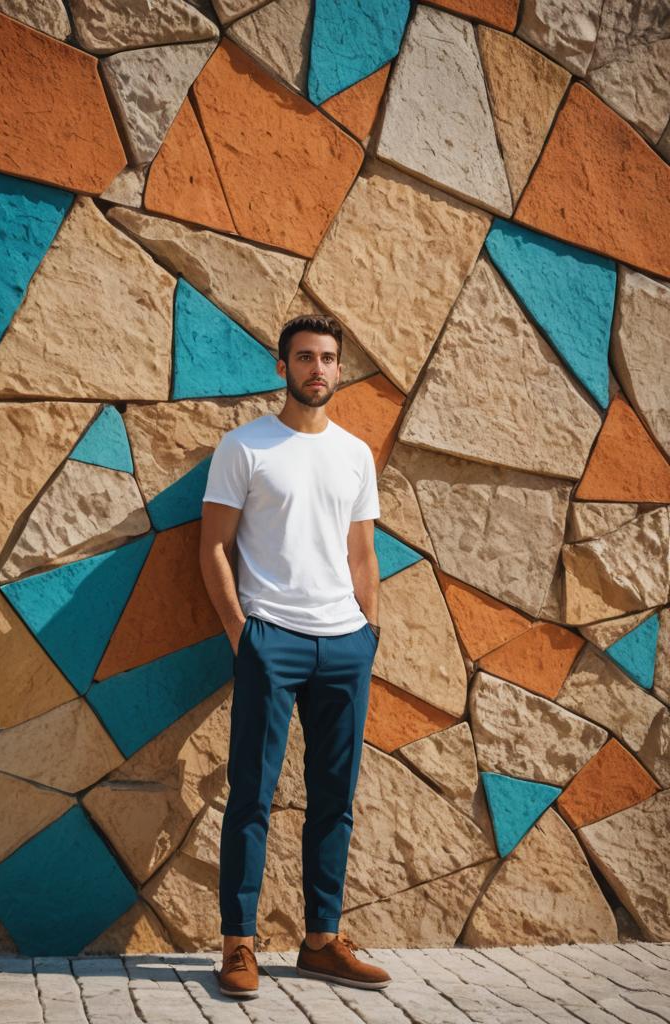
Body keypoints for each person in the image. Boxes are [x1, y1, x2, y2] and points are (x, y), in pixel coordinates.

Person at [199, 314, 392, 999]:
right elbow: (214, 547)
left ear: (340, 370)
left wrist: (368, 633)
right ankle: (238, 945)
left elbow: (362, 553)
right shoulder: (245, 448)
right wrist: (242, 634)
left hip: (345, 645)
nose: (317, 368)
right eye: (305, 356)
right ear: (282, 367)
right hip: (270, 638)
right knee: (251, 792)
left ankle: (321, 940)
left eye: (328, 358)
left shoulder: (355, 454)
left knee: (334, 799)